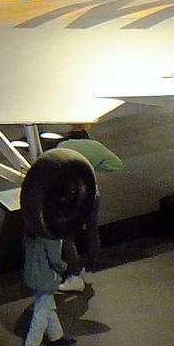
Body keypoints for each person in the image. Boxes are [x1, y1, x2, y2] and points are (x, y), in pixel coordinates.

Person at [55, 124, 119, 292]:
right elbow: (115, 164)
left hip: (72, 195)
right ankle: (89, 271)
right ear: (87, 129)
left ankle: (74, 275)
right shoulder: (96, 147)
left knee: (68, 236)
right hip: (92, 193)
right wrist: (93, 168)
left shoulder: (63, 146)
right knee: (92, 232)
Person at [21, 230, 76, 346]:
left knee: (49, 308)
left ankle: (56, 337)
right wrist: (66, 267)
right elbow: (55, 260)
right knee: (41, 313)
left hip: (32, 276)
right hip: (45, 279)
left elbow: (24, 246)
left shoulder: (32, 231)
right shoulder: (51, 236)